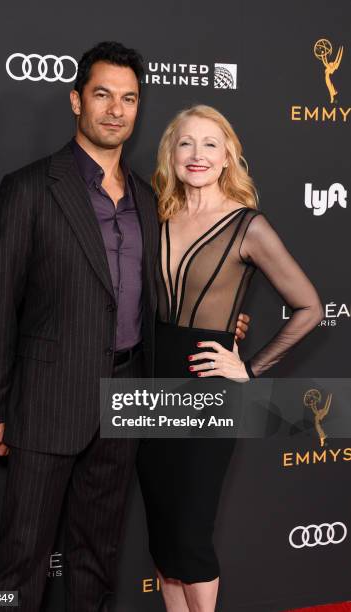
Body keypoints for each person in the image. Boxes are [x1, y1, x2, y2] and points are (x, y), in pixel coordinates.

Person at [0, 43, 250, 611]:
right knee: (20, 559)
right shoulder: (29, 188)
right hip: (47, 402)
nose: (116, 109)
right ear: (77, 100)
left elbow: (174, 291)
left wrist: (227, 328)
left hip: (128, 401)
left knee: (96, 560)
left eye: (128, 98)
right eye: (102, 95)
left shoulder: (150, 201)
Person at [136, 104, 324, 612]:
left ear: (227, 158)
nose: (197, 155)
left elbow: (310, 307)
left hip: (207, 387)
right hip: (151, 382)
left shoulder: (248, 226)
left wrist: (249, 368)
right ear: (171, 155)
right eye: (186, 144)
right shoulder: (156, 213)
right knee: (163, 531)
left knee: (191, 533)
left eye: (210, 145)